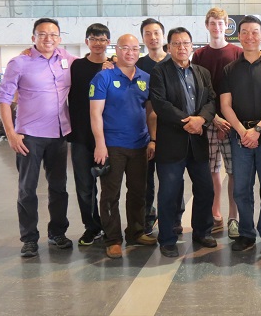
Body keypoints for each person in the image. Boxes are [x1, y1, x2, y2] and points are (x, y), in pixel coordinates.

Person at [0, 18, 75, 257]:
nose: (48, 38)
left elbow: (89, 65)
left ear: (59, 38)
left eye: (53, 34)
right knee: (27, 189)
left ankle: (57, 233)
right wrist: (11, 133)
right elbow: (4, 99)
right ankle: (29, 238)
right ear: (33, 38)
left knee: (59, 188)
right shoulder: (19, 63)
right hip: (29, 136)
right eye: (42, 34)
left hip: (59, 135)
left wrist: (108, 64)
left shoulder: (68, 60)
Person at [149, 27, 217, 257]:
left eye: (186, 43)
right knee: (169, 192)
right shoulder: (160, 72)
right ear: (169, 47)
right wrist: (187, 122)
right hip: (172, 142)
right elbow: (160, 103)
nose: (181, 47)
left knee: (206, 189)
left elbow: (211, 100)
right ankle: (167, 238)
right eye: (176, 44)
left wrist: (201, 119)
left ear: (192, 46)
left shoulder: (202, 72)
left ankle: (202, 231)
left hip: (197, 142)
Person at [220, 16, 261, 253]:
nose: (249, 36)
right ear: (238, 35)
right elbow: (225, 104)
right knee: (241, 188)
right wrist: (242, 131)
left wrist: (257, 130)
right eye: (244, 32)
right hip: (240, 136)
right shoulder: (230, 69)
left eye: (254, 32)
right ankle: (246, 233)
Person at [89, 34, 157, 259]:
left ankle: (136, 232)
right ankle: (113, 239)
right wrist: (100, 144)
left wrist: (152, 139)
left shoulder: (145, 77)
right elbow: (95, 113)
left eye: (135, 49)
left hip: (139, 145)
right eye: (125, 48)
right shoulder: (103, 77)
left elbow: (150, 112)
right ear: (116, 50)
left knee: (138, 192)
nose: (130, 52)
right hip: (112, 146)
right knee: (110, 194)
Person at [192, 7, 243, 238]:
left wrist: (228, 120)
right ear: (207, 25)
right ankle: (216, 214)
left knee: (234, 171)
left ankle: (234, 216)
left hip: (233, 122)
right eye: (212, 23)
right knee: (212, 170)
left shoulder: (237, 53)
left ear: (227, 26)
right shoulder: (199, 55)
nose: (217, 27)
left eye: (221, 23)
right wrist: (214, 118)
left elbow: (240, 89)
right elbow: (198, 92)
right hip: (209, 120)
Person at [68, 23, 110, 246]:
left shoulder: (113, 67)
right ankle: (91, 227)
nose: (98, 43)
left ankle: (110, 227)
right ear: (87, 42)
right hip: (80, 137)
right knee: (85, 187)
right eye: (93, 39)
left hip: (107, 137)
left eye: (102, 39)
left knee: (109, 187)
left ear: (108, 43)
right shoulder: (75, 66)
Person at [136, 18, 172, 236]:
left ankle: (173, 217)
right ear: (143, 38)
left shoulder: (174, 61)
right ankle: (148, 218)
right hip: (144, 133)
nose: (152, 37)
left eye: (156, 33)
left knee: (170, 178)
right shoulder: (138, 65)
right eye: (148, 34)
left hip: (171, 132)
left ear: (163, 36)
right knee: (145, 179)